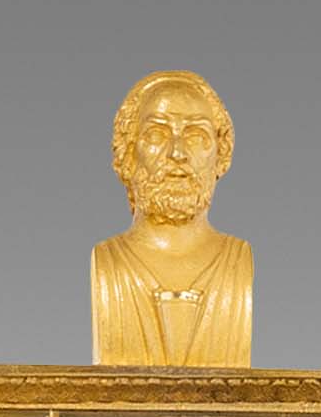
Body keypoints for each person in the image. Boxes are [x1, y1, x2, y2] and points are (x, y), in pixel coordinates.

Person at [91, 70, 253, 366]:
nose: (178, 152)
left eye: (196, 136)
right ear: (127, 154)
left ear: (221, 155)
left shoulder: (236, 263)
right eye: (156, 134)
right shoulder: (108, 264)